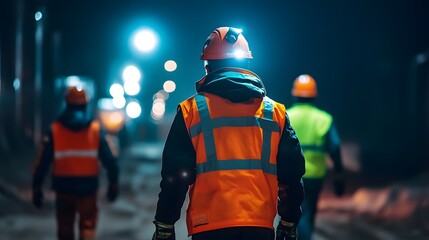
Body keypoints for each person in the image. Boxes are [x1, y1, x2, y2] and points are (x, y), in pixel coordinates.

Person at [152, 26, 305, 240]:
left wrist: (164, 224)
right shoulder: (275, 112)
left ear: (208, 66)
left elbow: (175, 176)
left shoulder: (191, 111)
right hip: (259, 227)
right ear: (247, 64)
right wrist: (288, 222)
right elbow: (292, 175)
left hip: (208, 227)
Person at [32, 86, 119, 240]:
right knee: (87, 226)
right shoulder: (95, 129)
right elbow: (109, 159)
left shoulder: (55, 129)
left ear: (66, 103)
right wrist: (114, 183)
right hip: (88, 186)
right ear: (85, 104)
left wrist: (36, 185)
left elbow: (43, 160)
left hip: (63, 186)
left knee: (65, 228)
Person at [287, 74, 345, 240]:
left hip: (289, 175)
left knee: (289, 213)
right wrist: (339, 175)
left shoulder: (285, 115)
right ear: (314, 95)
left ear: (294, 93)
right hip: (314, 177)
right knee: (307, 214)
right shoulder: (324, 119)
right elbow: (335, 148)